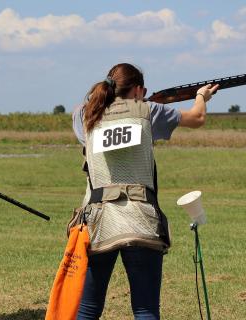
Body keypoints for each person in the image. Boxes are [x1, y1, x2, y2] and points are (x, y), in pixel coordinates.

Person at [71, 63, 218, 319]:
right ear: (139, 89)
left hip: (97, 222)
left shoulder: (86, 113)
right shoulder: (150, 111)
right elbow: (198, 118)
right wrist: (201, 97)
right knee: (145, 308)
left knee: (88, 308)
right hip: (141, 220)